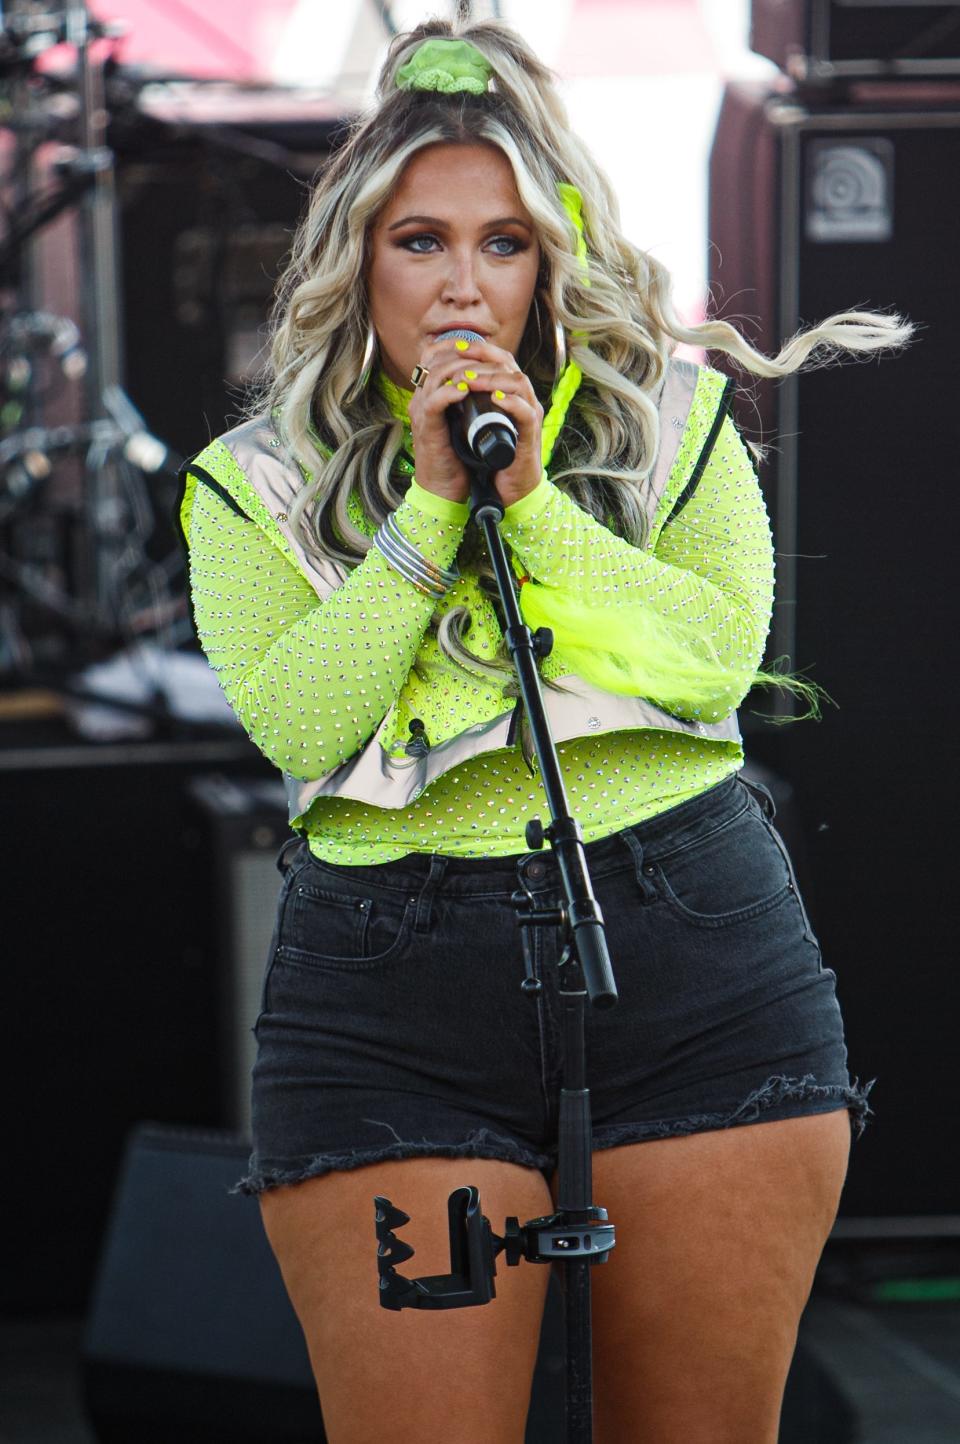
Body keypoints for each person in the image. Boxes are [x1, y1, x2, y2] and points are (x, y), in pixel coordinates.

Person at [178, 19, 911, 1444]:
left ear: (554, 258)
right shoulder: (252, 480)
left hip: (690, 942)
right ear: (358, 260)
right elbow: (302, 722)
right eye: (422, 242)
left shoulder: (673, 421)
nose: (464, 285)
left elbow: (713, 667)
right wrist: (430, 508)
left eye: (504, 244)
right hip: (389, 981)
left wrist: (534, 512)